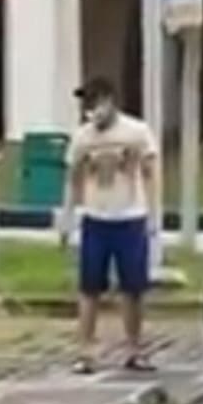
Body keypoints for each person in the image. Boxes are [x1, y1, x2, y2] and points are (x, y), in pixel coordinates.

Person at [61, 77, 160, 373]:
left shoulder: (136, 132)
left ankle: (134, 349)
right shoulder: (82, 138)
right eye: (86, 106)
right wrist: (67, 217)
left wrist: (153, 215)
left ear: (109, 101)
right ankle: (86, 352)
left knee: (133, 288)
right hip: (96, 219)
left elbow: (151, 171)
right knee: (89, 287)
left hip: (130, 218)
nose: (91, 111)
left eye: (95, 104)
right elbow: (73, 179)